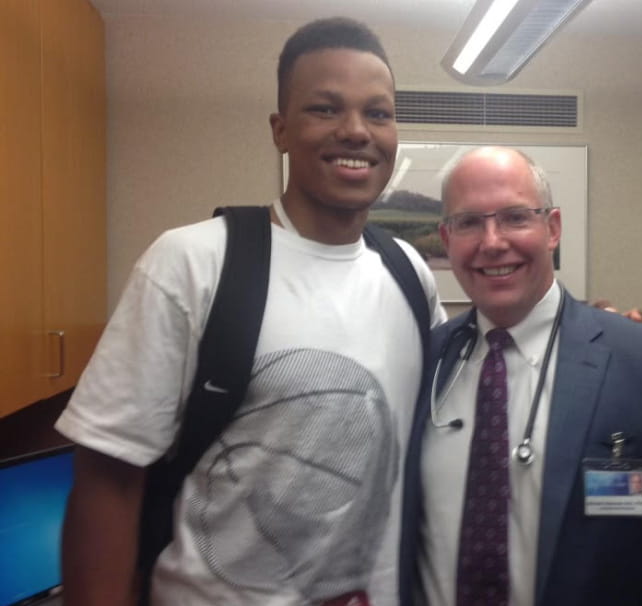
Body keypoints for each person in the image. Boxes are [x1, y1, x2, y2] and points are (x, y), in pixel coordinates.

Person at [55, 17, 446, 606]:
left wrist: (594, 333)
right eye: (325, 109)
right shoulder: (195, 261)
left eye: (379, 113)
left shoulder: (408, 273)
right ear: (280, 130)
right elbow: (107, 481)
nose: (356, 131)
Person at [399, 147, 642, 606]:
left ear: (553, 229)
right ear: (445, 238)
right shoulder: (424, 361)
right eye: (468, 223)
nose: (492, 241)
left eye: (515, 217)